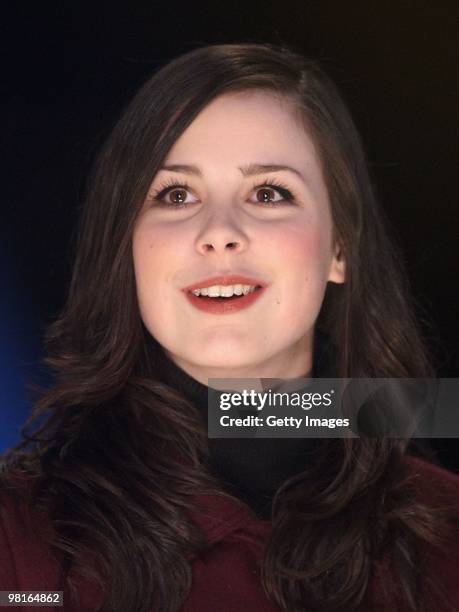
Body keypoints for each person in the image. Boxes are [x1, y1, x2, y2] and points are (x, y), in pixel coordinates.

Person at [1, 42, 458, 612]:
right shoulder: (19, 543)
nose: (219, 232)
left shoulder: (446, 531)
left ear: (340, 248)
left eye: (268, 193)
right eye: (176, 194)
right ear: (127, 248)